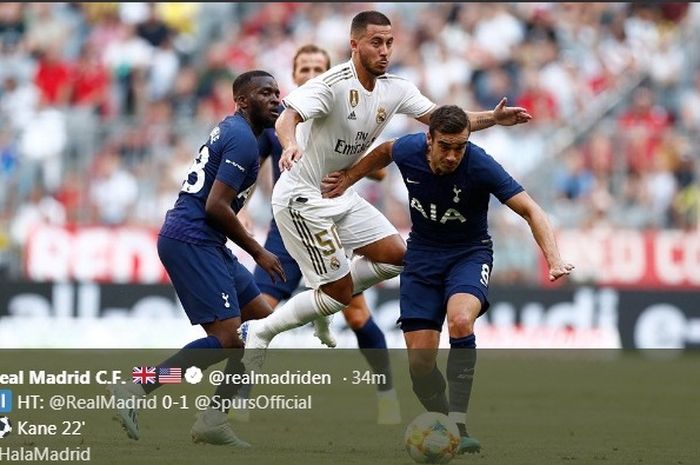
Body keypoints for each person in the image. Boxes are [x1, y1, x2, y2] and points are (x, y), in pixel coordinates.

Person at [238, 11, 531, 366]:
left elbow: (446, 120)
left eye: (389, 42)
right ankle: (262, 331)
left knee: (398, 257)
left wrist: (494, 118)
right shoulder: (332, 84)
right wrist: (289, 145)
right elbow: (288, 118)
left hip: (340, 193)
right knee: (339, 295)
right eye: (376, 42)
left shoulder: (396, 88)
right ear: (355, 45)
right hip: (303, 199)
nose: (385, 50)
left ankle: (327, 294)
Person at [320, 105, 575, 454]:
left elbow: (532, 209)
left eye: (460, 147)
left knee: (459, 321)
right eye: (446, 146)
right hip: (422, 258)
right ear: (429, 139)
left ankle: (457, 423)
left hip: (468, 255)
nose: (453, 155)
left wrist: (554, 258)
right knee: (420, 367)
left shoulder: (480, 164)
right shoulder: (409, 150)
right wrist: (349, 178)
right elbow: (384, 151)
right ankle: (449, 428)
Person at [109, 70, 284, 448]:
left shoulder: (238, 132)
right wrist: (258, 251)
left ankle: (213, 420)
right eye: (265, 93)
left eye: (277, 92)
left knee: (260, 321)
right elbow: (215, 206)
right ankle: (139, 385)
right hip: (192, 239)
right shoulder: (242, 140)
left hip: (207, 240)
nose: (275, 99)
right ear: (242, 101)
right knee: (227, 341)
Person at [237, 44, 401, 425]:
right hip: (286, 232)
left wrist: (357, 167)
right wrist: (243, 209)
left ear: (330, 73)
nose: (311, 74)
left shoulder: (344, 112)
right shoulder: (280, 122)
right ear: (293, 77)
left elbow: (378, 170)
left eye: (318, 68)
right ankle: (239, 399)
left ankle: (387, 395)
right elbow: (247, 168)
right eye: (304, 68)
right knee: (257, 314)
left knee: (358, 315)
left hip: (330, 226)